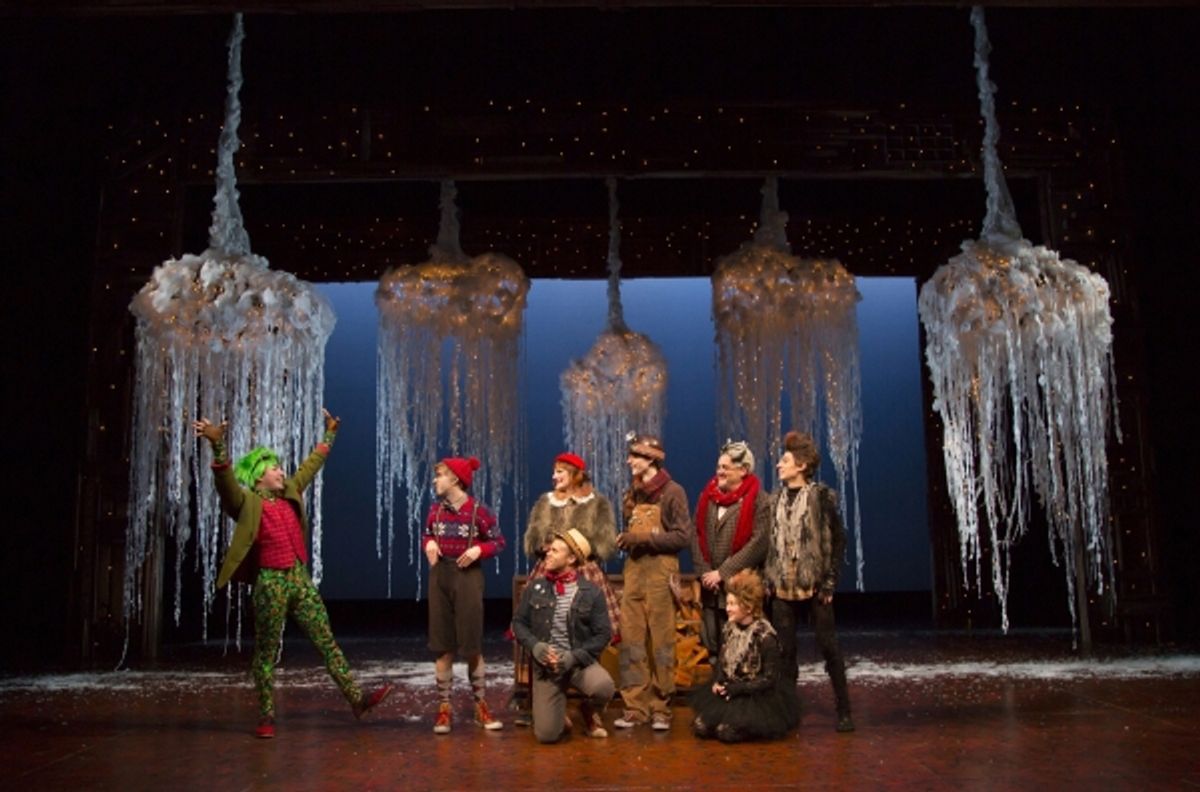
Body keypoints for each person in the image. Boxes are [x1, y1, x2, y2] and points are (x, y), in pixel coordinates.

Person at [194, 410, 392, 739]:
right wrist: (218, 447)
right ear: (259, 476)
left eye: (280, 466)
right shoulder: (248, 503)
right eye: (273, 468)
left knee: (327, 642)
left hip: (298, 578)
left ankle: (357, 700)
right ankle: (266, 713)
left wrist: (330, 435)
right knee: (267, 651)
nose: (281, 470)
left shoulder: (291, 493)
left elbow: (310, 466)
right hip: (270, 582)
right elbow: (226, 484)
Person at [514, 452, 620, 726]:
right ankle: (544, 701)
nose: (554, 476)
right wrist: (548, 547)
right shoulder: (545, 503)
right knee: (540, 626)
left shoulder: (596, 503)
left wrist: (577, 549)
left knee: (591, 632)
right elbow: (533, 540)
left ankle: (591, 704)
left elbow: (606, 543)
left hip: (584, 569)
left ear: (575, 474)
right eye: (554, 471)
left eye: (560, 471)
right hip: (549, 569)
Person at [765, 430, 854, 733]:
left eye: (785, 460)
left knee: (829, 647)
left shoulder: (820, 497)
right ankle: (789, 712)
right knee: (784, 652)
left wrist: (829, 580)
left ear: (801, 465)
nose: (779, 465)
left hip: (814, 585)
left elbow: (837, 539)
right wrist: (769, 577)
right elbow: (770, 542)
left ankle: (844, 709)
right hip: (782, 586)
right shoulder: (774, 500)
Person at [613, 432, 692, 731]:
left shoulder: (673, 492)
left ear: (652, 459)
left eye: (635, 455)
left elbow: (683, 536)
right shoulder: (632, 493)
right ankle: (635, 707)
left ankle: (661, 707)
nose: (629, 461)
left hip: (661, 572)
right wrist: (627, 540)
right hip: (634, 572)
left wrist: (642, 537)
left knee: (661, 643)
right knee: (632, 641)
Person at [424, 455, 506, 734]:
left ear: (455, 480)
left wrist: (479, 550)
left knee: (471, 644)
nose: (435, 480)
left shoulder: (478, 512)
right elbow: (426, 534)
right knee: (443, 644)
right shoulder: (435, 511)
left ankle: (480, 705)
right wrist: (430, 542)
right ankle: (444, 707)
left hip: (468, 577)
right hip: (440, 576)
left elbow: (498, 541)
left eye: (440, 475)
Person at [511, 528, 615, 743]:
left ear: (571, 559)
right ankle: (557, 716)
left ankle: (588, 710)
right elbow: (518, 624)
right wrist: (536, 647)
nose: (547, 553)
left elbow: (603, 634)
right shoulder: (536, 587)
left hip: (577, 662)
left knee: (604, 686)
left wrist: (574, 657)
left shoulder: (591, 592)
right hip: (548, 667)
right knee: (547, 735)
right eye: (549, 549)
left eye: (555, 551)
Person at [689, 569, 799, 743]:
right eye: (728, 603)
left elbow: (769, 679)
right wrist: (718, 680)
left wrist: (739, 689)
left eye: (733, 604)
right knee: (701, 727)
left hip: (754, 695)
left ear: (747, 607)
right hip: (732, 690)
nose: (728, 609)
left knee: (727, 732)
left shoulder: (765, 636)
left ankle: (751, 727)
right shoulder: (729, 629)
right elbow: (722, 660)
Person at [691, 440, 770, 658]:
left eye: (725, 468)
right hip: (711, 589)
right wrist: (705, 572)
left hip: (739, 587)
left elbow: (759, 543)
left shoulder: (759, 501)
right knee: (712, 643)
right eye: (718, 467)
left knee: (742, 646)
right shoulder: (707, 498)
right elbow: (695, 534)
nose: (719, 472)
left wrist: (722, 573)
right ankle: (716, 687)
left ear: (743, 470)